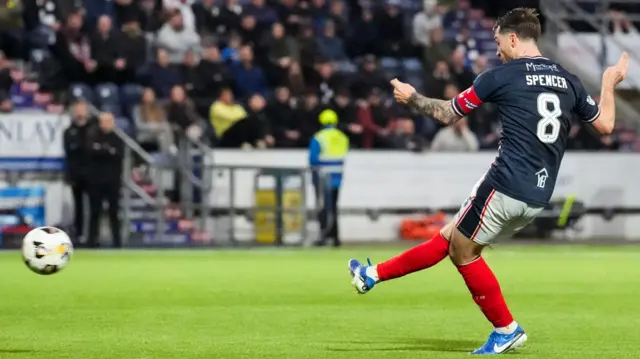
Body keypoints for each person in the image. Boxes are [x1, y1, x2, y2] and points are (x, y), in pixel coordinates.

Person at [347, 8, 628, 355]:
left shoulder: (500, 76)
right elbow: (605, 126)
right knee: (451, 236)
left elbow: (447, 113)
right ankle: (371, 275)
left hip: (506, 182)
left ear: (513, 38)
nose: (497, 50)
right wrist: (608, 83)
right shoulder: (567, 78)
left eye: (498, 42)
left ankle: (506, 328)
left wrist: (412, 98)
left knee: (462, 252)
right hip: (538, 195)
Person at [309, 109, 349, 247]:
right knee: (334, 207)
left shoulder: (319, 137)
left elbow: (313, 159)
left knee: (324, 208)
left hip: (322, 178)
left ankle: (323, 236)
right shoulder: (343, 137)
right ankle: (335, 238)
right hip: (337, 178)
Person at [87, 112, 124, 248]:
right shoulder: (93, 136)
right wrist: (107, 151)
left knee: (114, 211)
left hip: (113, 181)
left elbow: (117, 154)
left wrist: (103, 150)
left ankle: (117, 241)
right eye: (104, 121)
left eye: (109, 121)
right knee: (94, 211)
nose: (106, 124)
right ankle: (92, 240)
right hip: (96, 180)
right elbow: (92, 151)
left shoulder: (117, 138)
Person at [63, 100, 95, 245]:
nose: (80, 113)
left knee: (94, 207)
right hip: (76, 173)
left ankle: (93, 236)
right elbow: (70, 151)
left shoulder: (93, 130)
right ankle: (78, 235)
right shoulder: (69, 131)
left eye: (82, 110)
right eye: (78, 110)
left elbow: (91, 150)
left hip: (92, 173)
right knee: (78, 207)